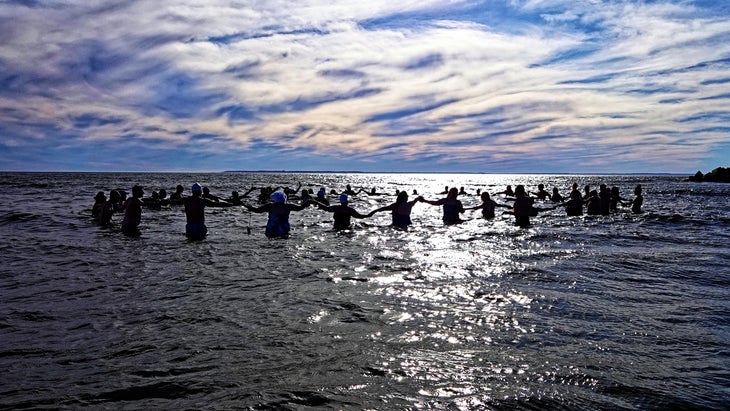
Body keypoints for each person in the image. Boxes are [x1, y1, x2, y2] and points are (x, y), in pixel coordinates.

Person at [243, 191, 312, 238]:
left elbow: (257, 210)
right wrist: (308, 202)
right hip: (284, 229)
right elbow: (300, 208)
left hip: (271, 229)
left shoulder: (270, 206)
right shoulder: (288, 206)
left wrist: (247, 206)